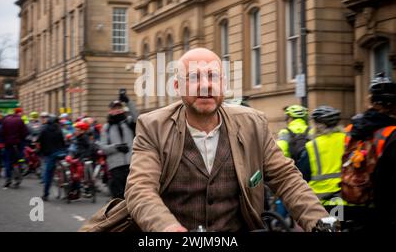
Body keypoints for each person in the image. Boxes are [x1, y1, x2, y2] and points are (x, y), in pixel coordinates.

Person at [123, 48, 330, 232]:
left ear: (223, 84)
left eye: (213, 76)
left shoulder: (253, 124)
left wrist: (321, 221)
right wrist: (166, 227)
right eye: (194, 77)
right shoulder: (153, 126)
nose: (205, 86)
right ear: (177, 86)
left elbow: (286, 179)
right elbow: (140, 189)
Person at [342, 73, 396, 231]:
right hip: (380, 213)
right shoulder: (391, 134)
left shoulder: (351, 130)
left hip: (350, 204)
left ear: (371, 101)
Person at [300, 106, 346, 209]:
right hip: (349, 197)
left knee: (325, 225)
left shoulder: (312, 146)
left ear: (318, 125)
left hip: (325, 202)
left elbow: (302, 174)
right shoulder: (348, 140)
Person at [99, 99, 136, 199]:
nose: (117, 110)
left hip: (131, 164)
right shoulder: (106, 127)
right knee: (119, 197)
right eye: (115, 108)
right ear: (110, 111)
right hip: (116, 166)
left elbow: (136, 116)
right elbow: (103, 147)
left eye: (119, 108)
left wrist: (128, 101)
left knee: (134, 195)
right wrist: (116, 147)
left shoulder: (129, 123)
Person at [37, 115, 67, 201]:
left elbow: (39, 141)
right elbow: (63, 141)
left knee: (48, 174)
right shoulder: (59, 129)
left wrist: (40, 151)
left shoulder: (44, 129)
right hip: (60, 153)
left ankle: (46, 194)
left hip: (49, 154)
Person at [1, 108, 28, 188]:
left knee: (7, 161)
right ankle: (18, 177)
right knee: (19, 159)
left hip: (8, 144)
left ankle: (8, 179)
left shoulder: (5, 120)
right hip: (18, 144)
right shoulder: (20, 120)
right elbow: (25, 132)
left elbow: (2, 132)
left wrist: (5, 140)